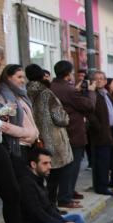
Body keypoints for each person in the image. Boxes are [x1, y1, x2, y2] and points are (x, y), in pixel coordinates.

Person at [0, 45, 44, 223]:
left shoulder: (2, 90)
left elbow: (0, 114)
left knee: (12, 193)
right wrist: (0, 123)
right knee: (13, 192)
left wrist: (2, 116)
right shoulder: (4, 90)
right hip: (6, 143)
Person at [19, 148, 91, 223]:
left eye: (49, 163)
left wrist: (62, 221)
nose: (49, 166)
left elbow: (48, 207)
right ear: (33, 164)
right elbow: (37, 213)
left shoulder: (39, 178)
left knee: (78, 218)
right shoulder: (26, 183)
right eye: (45, 163)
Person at [25, 64, 73, 206]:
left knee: (39, 177)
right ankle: (51, 207)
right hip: (52, 140)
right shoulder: (46, 93)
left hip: (35, 140)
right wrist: (66, 116)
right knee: (53, 177)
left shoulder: (25, 92)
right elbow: (60, 118)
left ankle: (45, 206)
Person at [50, 60, 96, 208]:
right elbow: (89, 106)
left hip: (58, 132)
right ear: (68, 73)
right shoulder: (68, 90)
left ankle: (63, 195)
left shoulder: (51, 87)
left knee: (59, 168)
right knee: (71, 167)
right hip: (73, 132)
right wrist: (91, 92)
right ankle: (65, 197)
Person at [0, 64, 39, 163]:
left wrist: (35, 133)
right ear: (8, 78)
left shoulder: (20, 95)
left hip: (29, 145)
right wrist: (26, 133)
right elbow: (2, 124)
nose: (23, 81)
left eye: (23, 77)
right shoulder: (4, 96)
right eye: (19, 77)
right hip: (18, 147)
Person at [85, 71, 113, 196]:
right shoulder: (92, 94)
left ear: (105, 81)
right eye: (96, 78)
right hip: (99, 133)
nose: (99, 81)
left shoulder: (105, 94)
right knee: (101, 161)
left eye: (102, 78)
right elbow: (89, 112)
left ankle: (105, 183)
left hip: (109, 131)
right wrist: (97, 126)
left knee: (106, 160)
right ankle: (101, 186)